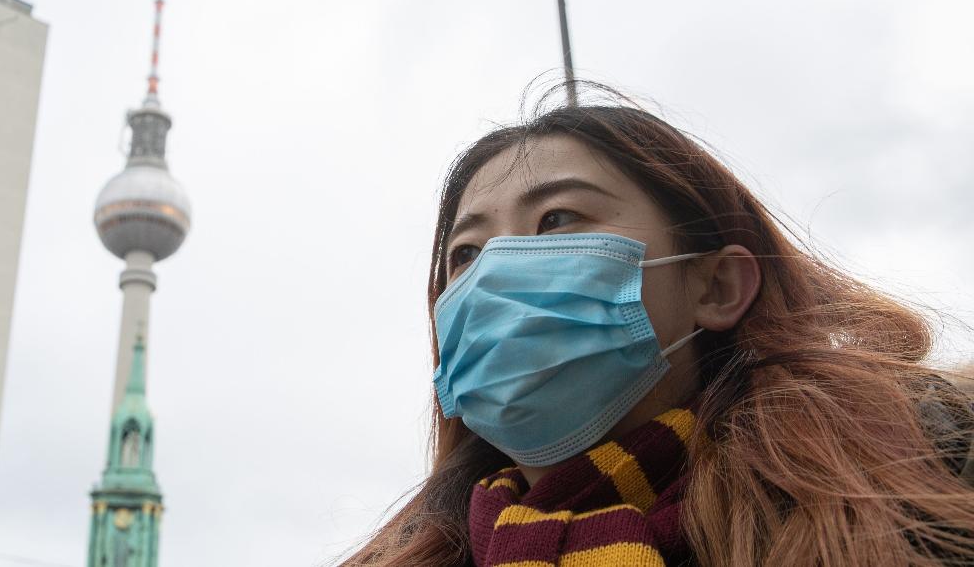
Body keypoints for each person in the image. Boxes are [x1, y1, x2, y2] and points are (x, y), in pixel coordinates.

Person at [343, 83, 974, 567]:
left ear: (718, 287)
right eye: (467, 255)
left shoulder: (929, 473)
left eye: (558, 220)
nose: (495, 274)